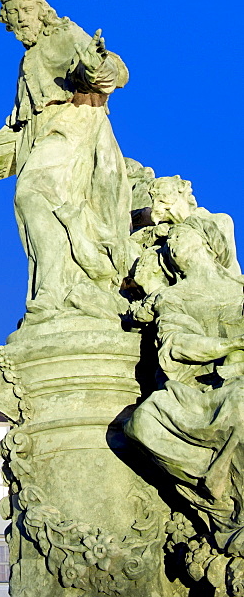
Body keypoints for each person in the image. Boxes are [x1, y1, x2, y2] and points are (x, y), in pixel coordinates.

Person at [0, 0, 131, 321]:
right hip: (44, 133)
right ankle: (58, 284)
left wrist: (98, 65)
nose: (19, 22)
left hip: (74, 127)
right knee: (37, 203)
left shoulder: (65, 34)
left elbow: (111, 72)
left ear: (40, 10)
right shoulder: (28, 58)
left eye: (24, 12)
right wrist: (4, 139)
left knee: (31, 194)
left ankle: (55, 287)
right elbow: (25, 112)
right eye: (13, 16)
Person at [125, 223, 244, 554]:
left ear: (206, 242)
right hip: (198, 391)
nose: (172, 243)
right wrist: (230, 344)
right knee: (143, 422)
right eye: (168, 243)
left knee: (240, 400)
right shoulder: (173, 296)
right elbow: (176, 345)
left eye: (182, 234)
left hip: (236, 384)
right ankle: (218, 501)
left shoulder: (240, 289)